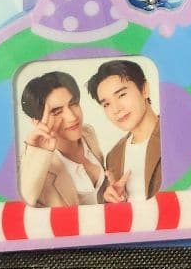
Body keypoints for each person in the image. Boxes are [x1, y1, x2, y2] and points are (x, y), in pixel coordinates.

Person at [19, 70, 104, 207]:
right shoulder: (34, 166)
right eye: (57, 111)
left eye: (73, 103)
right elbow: (23, 203)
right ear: (38, 122)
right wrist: (40, 152)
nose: (72, 117)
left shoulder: (88, 134)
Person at [88, 59, 161, 203]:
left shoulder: (175, 133)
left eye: (121, 95)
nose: (116, 109)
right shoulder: (113, 156)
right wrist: (115, 201)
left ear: (144, 89)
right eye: (106, 104)